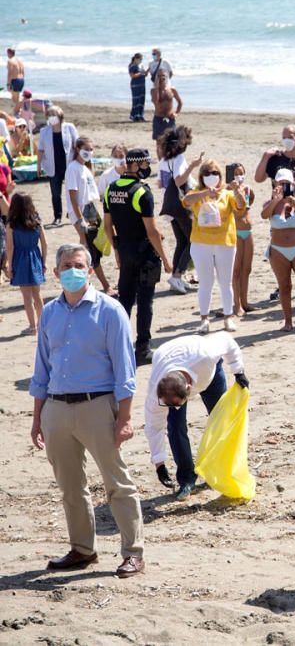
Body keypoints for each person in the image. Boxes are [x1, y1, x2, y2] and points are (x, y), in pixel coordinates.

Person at [29, 243, 145, 578]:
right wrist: (38, 418)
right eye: (65, 265)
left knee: (117, 483)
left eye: (78, 264)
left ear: (90, 270)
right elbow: (42, 370)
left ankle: (133, 552)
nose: (71, 270)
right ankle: (82, 549)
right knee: (69, 486)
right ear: (55, 272)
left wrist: (124, 419)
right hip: (57, 409)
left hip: (98, 405)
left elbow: (126, 371)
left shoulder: (110, 311)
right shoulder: (50, 312)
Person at [143, 332, 250, 500]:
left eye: (177, 404)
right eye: (168, 404)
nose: (173, 407)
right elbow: (154, 426)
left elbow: (227, 340)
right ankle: (186, 480)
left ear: (188, 389)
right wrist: (159, 464)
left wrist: (238, 371)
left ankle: (219, 471)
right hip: (168, 357)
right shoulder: (156, 393)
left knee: (221, 421)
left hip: (209, 374)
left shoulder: (205, 355)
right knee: (175, 427)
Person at [102, 149, 173, 364]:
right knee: (144, 302)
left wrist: (117, 251)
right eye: (144, 164)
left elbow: (108, 226)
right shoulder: (142, 192)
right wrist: (167, 260)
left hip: (125, 251)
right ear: (134, 165)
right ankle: (142, 349)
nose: (146, 168)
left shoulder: (111, 189)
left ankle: (117, 347)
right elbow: (151, 232)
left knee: (124, 302)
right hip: (144, 255)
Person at [182, 159, 247, 334]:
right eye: (207, 173)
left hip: (224, 242)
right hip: (201, 242)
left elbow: (241, 206)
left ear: (220, 176)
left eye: (215, 173)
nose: (212, 176)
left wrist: (236, 190)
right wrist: (204, 193)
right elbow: (186, 201)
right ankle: (204, 319)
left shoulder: (227, 193)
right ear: (202, 177)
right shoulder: (197, 192)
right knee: (206, 282)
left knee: (225, 282)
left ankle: (228, 317)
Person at [262, 168, 295, 331]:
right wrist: (276, 201)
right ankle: (287, 321)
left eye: (287, 183)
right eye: (281, 183)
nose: (284, 186)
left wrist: (294, 204)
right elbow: (264, 215)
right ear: (275, 183)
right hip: (278, 250)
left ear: (293, 184)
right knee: (284, 285)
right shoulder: (271, 203)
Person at [157, 125, 203, 294]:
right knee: (194, 240)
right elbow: (178, 181)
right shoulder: (179, 159)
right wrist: (193, 166)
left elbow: (161, 183)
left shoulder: (163, 161)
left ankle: (177, 278)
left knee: (182, 242)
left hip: (169, 206)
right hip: (180, 205)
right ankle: (177, 275)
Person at [65, 136, 113, 294]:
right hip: (83, 212)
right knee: (90, 248)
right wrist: (79, 219)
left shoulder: (85, 168)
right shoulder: (73, 168)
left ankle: (82, 282)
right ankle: (105, 286)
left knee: (90, 246)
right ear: (78, 149)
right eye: (86, 149)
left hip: (90, 210)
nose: (89, 152)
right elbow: (73, 195)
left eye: (91, 150)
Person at [3, 192, 46, 333]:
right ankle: (42, 324)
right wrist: (44, 261)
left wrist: (9, 265)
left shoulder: (12, 225)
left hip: (20, 260)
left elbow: (10, 247)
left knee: (26, 297)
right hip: (35, 258)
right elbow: (44, 244)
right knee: (37, 294)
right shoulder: (37, 221)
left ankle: (32, 326)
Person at [36, 105, 77, 225]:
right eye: (49, 115)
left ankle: (73, 213)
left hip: (68, 165)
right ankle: (57, 217)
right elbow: (40, 149)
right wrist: (38, 166)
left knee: (72, 191)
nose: (52, 117)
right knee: (55, 194)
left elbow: (76, 144)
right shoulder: (44, 131)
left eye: (54, 114)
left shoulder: (69, 128)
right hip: (52, 166)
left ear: (60, 115)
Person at [228, 163, 256, 316]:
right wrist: (235, 191)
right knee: (236, 269)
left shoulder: (248, 188)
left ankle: (245, 302)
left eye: (241, 172)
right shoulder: (228, 191)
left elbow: (249, 204)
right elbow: (237, 212)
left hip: (248, 230)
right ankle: (236, 304)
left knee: (247, 268)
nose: (239, 176)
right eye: (236, 173)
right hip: (236, 231)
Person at [253, 124, 295, 189]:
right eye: (284, 138)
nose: (287, 140)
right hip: (278, 199)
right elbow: (258, 179)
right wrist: (265, 156)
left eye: (290, 137)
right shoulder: (276, 158)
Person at [151, 72, 182, 141]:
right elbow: (156, 102)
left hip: (170, 118)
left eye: (163, 76)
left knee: (172, 140)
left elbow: (180, 102)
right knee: (159, 141)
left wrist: (176, 113)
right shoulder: (153, 91)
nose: (161, 78)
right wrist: (157, 88)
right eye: (159, 76)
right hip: (158, 118)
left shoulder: (172, 90)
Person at [128, 53, 147, 122]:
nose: (141, 61)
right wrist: (141, 73)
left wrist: (145, 72)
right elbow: (132, 75)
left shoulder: (139, 66)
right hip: (136, 85)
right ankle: (134, 116)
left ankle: (140, 115)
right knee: (136, 100)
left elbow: (143, 74)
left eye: (141, 59)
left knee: (141, 100)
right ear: (136, 59)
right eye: (140, 59)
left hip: (142, 85)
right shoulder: (132, 66)